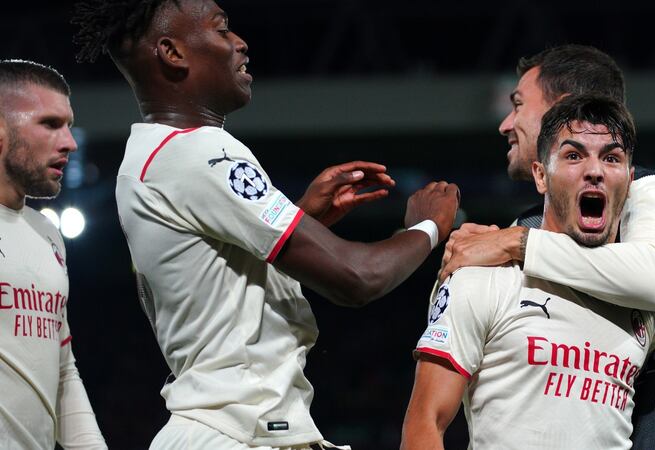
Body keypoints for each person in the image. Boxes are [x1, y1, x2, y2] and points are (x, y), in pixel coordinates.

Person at [72, 1, 459, 448]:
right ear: (172, 53)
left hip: (230, 427)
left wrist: (302, 217)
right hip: (238, 432)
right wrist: (427, 227)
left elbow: (218, 280)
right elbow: (357, 277)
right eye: (221, 31)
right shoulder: (198, 152)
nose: (240, 43)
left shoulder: (149, 159)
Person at [438, 45, 655, 449]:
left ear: (566, 111)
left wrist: (514, 243)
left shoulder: (653, 193)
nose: (506, 123)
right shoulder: (530, 224)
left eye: (518, 105)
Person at [402, 94, 655, 449]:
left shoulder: (644, 303)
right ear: (541, 176)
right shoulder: (482, 277)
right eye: (574, 156)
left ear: (629, 179)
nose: (595, 170)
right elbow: (425, 423)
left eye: (612, 158)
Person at [0, 60, 107, 449]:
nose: (70, 142)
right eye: (49, 124)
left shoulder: (47, 234)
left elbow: (63, 371)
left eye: (68, 124)